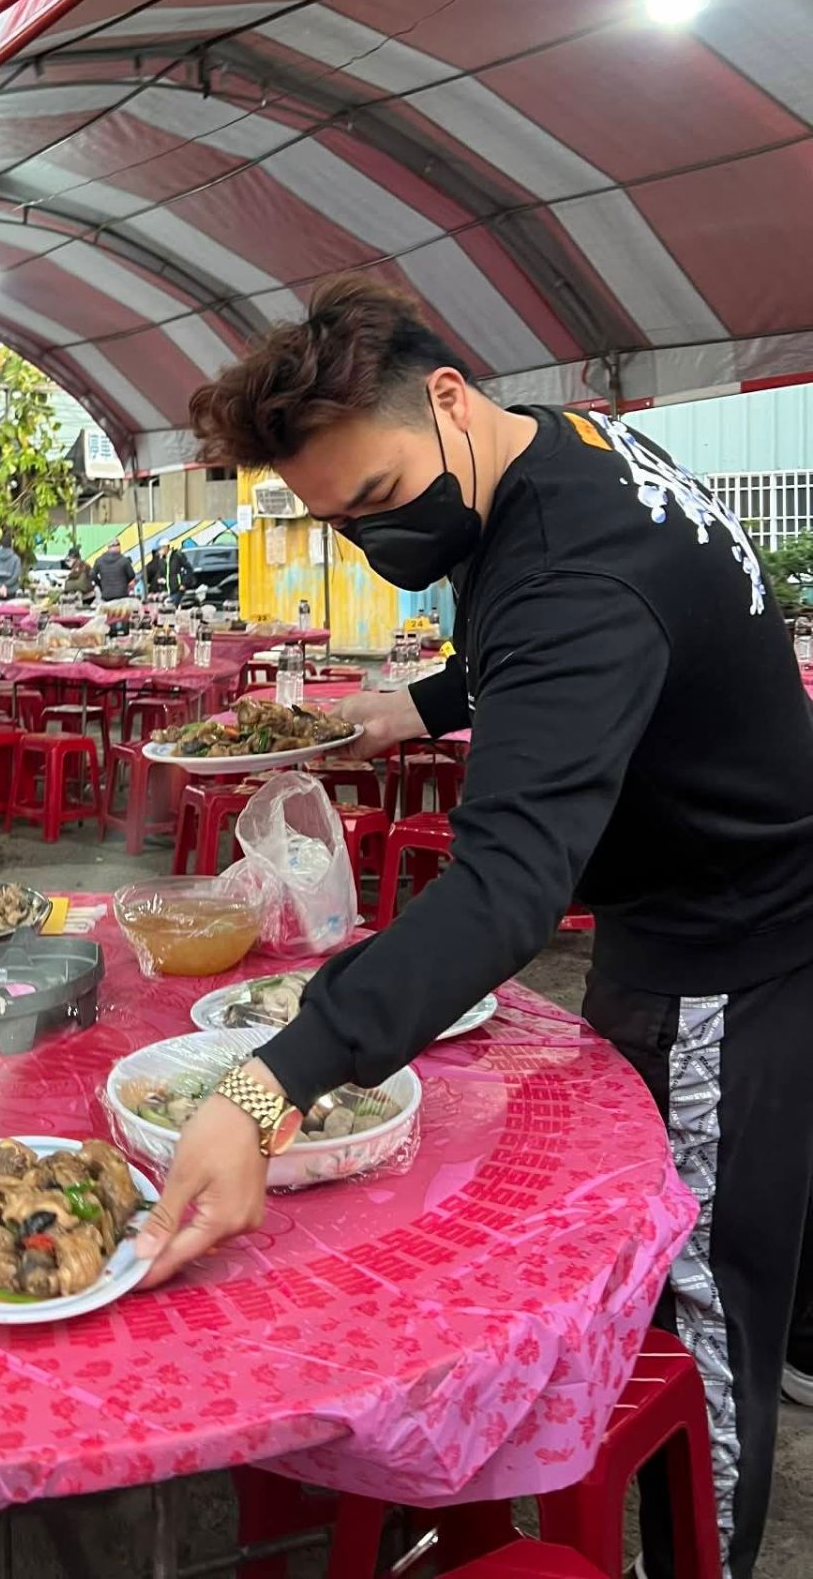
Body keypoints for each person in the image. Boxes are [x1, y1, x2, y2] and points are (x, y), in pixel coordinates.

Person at [138, 275, 813, 1579]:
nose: (372, 544)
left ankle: (707, 1549)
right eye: (337, 524)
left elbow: (505, 890)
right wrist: (430, 701)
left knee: (705, 1294)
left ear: (448, 399)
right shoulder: (564, 441)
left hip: (728, 941)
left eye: (380, 504)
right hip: (691, 895)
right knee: (706, 1225)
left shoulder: (570, 573)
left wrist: (269, 1086)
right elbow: (605, 631)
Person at [91, 538, 136, 603]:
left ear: (108, 548)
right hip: (122, 596)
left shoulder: (99, 560)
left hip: (106, 596)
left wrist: (100, 584)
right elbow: (131, 576)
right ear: (118, 546)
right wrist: (125, 583)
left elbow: (92, 574)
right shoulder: (124, 560)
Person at [0, 531, 23, 599]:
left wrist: (0, 585)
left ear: (1, 545)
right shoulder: (16, 559)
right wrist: (5, 585)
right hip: (12, 591)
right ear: (11, 545)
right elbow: (16, 576)